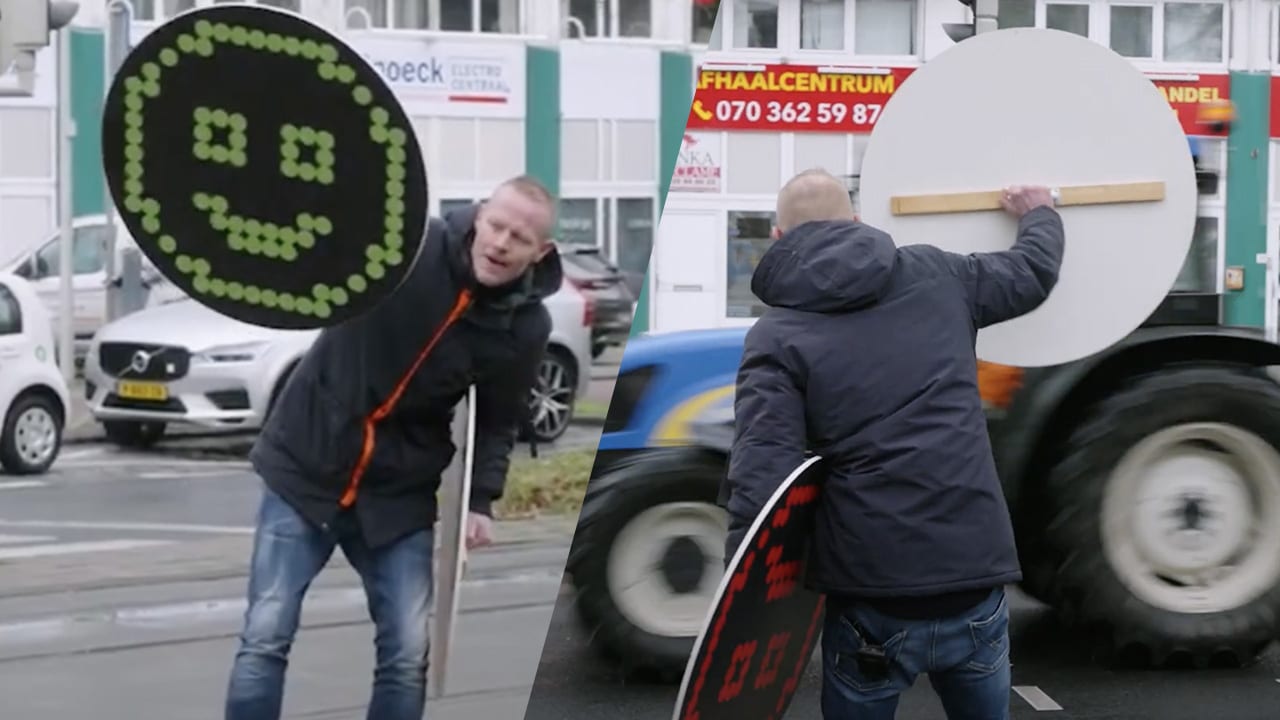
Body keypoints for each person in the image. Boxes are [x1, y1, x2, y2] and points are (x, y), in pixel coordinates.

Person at [724, 168, 1064, 720]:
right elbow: (1032, 273)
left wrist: (743, 610)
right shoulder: (939, 273)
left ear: (778, 237)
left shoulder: (776, 335)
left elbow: (762, 480)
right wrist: (1039, 212)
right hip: (973, 580)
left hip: (871, 602)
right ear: (857, 222)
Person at [224, 175, 561, 720]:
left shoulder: (525, 325)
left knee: (407, 651)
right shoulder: (406, 245)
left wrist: (480, 501)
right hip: (307, 460)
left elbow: (498, 419)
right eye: (497, 226)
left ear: (540, 251)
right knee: (265, 634)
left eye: (519, 239)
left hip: (399, 490)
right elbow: (322, 234)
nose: (501, 243)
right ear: (478, 216)